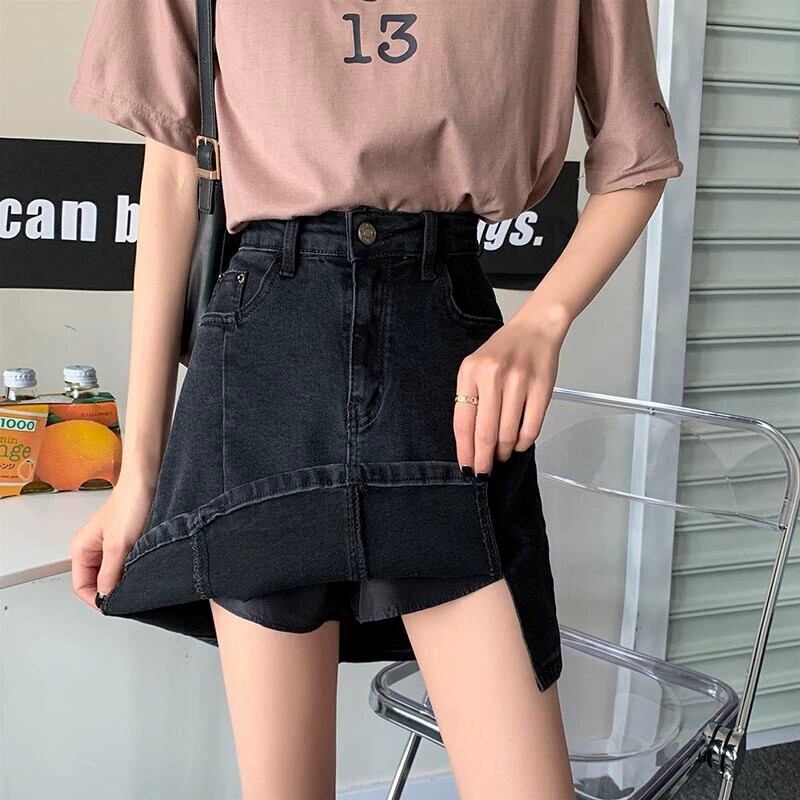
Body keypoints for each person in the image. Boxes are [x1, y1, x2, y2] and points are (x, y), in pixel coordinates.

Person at [67, 1, 683, 798]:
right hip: (264, 365)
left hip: (446, 365)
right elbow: (174, 173)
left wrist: (544, 321)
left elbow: (636, 158)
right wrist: (138, 475)